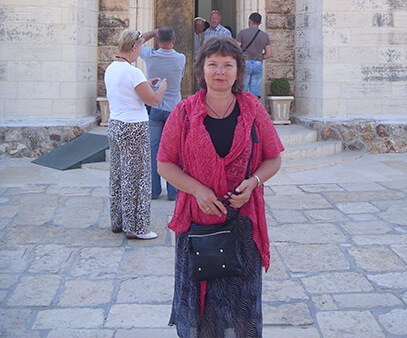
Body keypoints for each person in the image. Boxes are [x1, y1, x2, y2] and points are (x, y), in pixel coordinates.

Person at [158, 37, 284, 336]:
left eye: (228, 65)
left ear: (239, 71)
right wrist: (198, 190)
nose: (220, 71)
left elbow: (273, 158)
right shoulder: (184, 113)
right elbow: (165, 164)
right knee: (202, 307)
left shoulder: (253, 110)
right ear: (201, 69)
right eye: (212, 64)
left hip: (243, 223)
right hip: (198, 224)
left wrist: (253, 183)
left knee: (244, 305)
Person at [104, 29, 168, 240]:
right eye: (140, 47)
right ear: (134, 47)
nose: (140, 51)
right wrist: (162, 88)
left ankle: (119, 220)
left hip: (115, 125)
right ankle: (136, 227)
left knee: (119, 174)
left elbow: (128, 93)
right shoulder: (133, 72)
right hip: (133, 128)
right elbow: (153, 100)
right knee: (138, 177)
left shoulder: (111, 69)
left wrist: (146, 86)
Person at [139, 26, 186, 200]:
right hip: (174, 110)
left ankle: (153, 190)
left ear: (157, 41)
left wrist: (154, 31)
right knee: (173, 151)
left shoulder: (150, 56)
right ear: (173, 40)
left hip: (156, 108)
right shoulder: (181, 58)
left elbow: (138, 40)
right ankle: (173, 191)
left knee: (153, 150)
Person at [236, 13, 272, 99]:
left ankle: (243, 110)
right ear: (260, 22)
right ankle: (254, 109)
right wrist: (259, 56)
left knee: (243, 90)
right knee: (255, 90)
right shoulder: (264, 36)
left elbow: (236, 49)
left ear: (250, 21)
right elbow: (269, 54)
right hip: (258, 64)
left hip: (245, 63)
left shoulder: (242, 33)